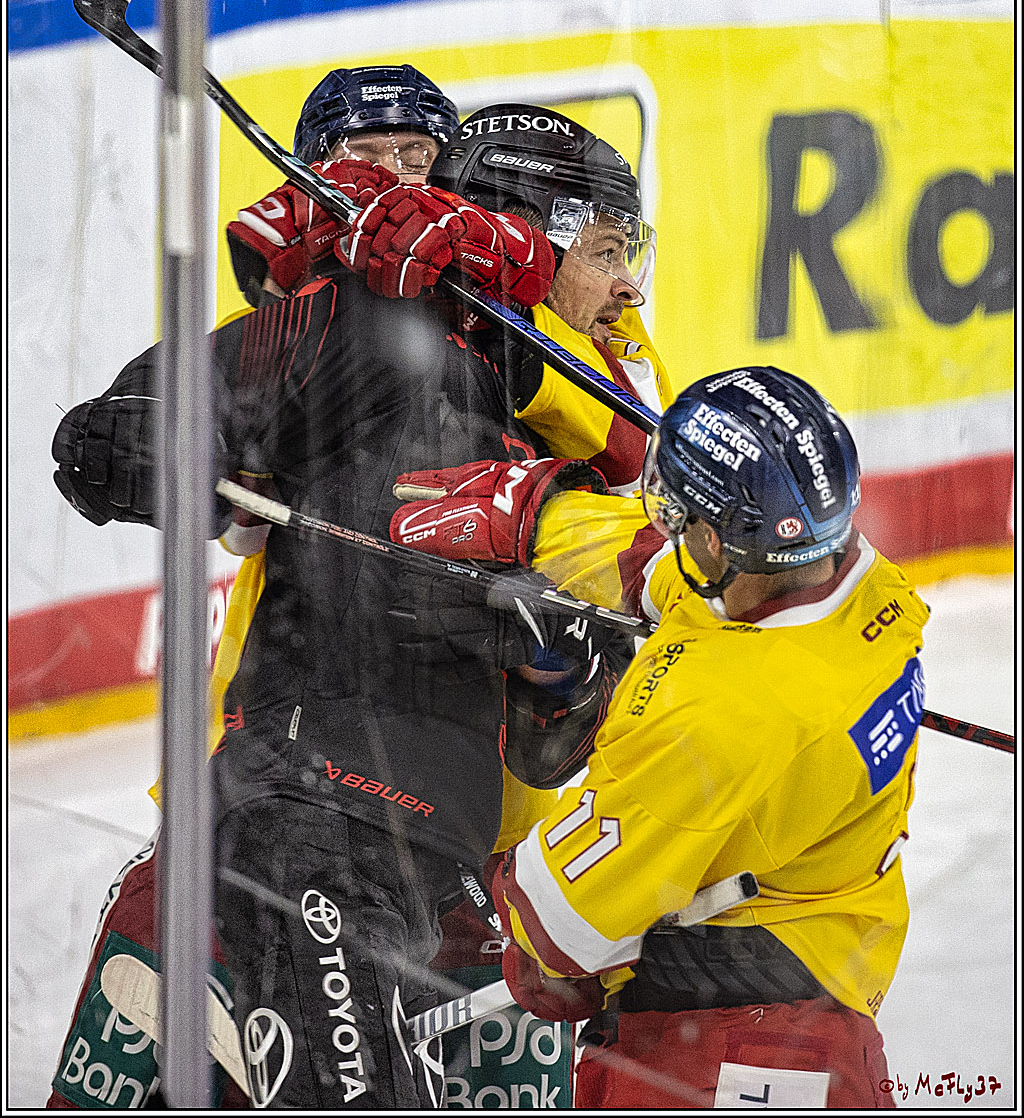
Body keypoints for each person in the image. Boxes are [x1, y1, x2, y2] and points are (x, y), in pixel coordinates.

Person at [49, 94, 665, 1108]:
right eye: (604, 249)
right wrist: (137, 434)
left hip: (478, 881)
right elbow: (165, 408)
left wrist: (569, 661)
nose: (629, 283)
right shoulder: (380, 325)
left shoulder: (598, 365)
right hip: (300, 816)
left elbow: (640, 481)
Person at [45, 62, 460, 1110]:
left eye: (420, 161)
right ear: (312, 175)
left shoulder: (493, 320)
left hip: (454, 811)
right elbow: (122, 435)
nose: (398, 181)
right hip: (299, 782)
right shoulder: (318, 326)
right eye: (370, 160)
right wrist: (157, 446)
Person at [387, 366, 929, 1109]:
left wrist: (527, 936)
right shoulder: (864, 587)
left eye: (682, 520)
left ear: (717, 540)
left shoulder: (715, 714)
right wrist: (541, 525)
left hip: (713, 1061)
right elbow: (665, 567)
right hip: (822, 1031)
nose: (669, 530)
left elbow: (558, 931)